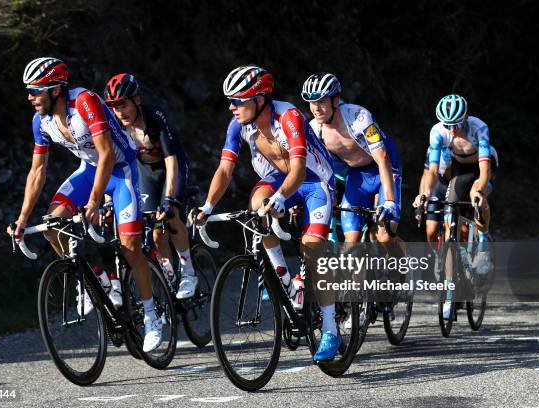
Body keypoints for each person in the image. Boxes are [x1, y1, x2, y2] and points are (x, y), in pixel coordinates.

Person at [190, 65, 340, 361]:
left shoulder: (289, 117)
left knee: (312, 248)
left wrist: (283, 197)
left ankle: (332, 328)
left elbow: (298, 169)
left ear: (260, 100)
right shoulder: (237, 125)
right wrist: (208, 207)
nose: (231, 107)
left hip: (313, 182)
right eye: (230, 101)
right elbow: (225, 169)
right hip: (275, 179)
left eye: (238, 100)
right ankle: (284, 278)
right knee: (256, 209)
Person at [10, 57, 161, 352]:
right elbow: (37, 171)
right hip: (89, 170)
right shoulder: (40, 121)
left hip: (121, 170)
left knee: (130, 245)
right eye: (29, 91)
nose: (30, 97)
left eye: (35, 90)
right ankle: (100, 281)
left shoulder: (84, 102)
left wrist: (94, 201)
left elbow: (106, 154)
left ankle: (153, 317)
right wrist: (22, 218)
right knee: (53, 225)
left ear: (55, 90)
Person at [103, 73, 197, 299]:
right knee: (155, 234)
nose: (119, 111)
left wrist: (169, 199)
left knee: (170, 214)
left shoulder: (154, 116)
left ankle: (188, 272)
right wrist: (107, 201)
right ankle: (168, 277)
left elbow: (171, 159)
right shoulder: (114, 124)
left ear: (136, 99)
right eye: (114, 107)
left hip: (170, 166)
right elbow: (111, 164)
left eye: (123, 104)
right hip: (144, 170)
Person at [413, 94, 498, 318]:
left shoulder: (479, 128)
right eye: (447, 125)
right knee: (450, 209)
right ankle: (452, 285)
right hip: (460, 169)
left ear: (466, 117)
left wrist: (480, 188)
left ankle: (482, 247)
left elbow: (484, 170)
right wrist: (424, 194)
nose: (451, 131)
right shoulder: (437, 131)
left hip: (483, 166)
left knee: (477, 195)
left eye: (456, 125)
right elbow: (432, 171)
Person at [301, 73, 402, 244]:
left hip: (385, 168)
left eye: (322, 102)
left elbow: (383, 158)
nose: (316, 109)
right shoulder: (314, 130)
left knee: (385, 236)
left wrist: (390, 201)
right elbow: (314, 169)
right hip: (357, 174)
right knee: (351, 239)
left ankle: (405, 263)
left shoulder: (359, 117)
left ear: (335, 100)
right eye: (312, 102)